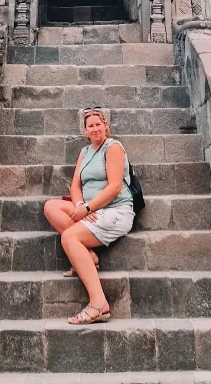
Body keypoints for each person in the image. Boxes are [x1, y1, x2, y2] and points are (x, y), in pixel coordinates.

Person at [43, 107, 134, 325]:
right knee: (50, 207)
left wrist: (87, 209)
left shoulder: (113, 148)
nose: (94, 129)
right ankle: (88, 254)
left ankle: (99, 304)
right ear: (85, 130)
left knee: (69, 238)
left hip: (115, 211)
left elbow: (113, 187)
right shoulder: (85, 152)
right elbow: (75, 185)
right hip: (91, 209)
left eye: (98, 124)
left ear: (105, 127)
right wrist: (80, 204)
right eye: (90, 126)